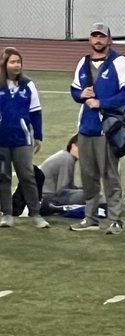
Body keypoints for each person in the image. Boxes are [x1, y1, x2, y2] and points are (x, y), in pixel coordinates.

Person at [68, 23, 125, 235]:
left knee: (110, 176)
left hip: (109, 129)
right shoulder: (83, 62)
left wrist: (101, 102)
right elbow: (74, 90)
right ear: (90, 39)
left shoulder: (120, 62)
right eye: (94, 36)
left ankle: (115, 219)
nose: (98, 40)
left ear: (109, 39)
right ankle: (91, 219)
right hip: (86, 128)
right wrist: (81, 95)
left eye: (102, 37)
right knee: (88, 176)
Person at [0, 47, 46, 228]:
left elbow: (36, 112)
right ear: (4, 64)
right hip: (1, 140)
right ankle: (7, 214)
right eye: (12, 62)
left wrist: (38, 136)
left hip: (22, 140)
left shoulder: (28, 85)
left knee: (27, 176)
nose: (16, 65)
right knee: (3, 177)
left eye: (18, 62)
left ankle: (36, 214)